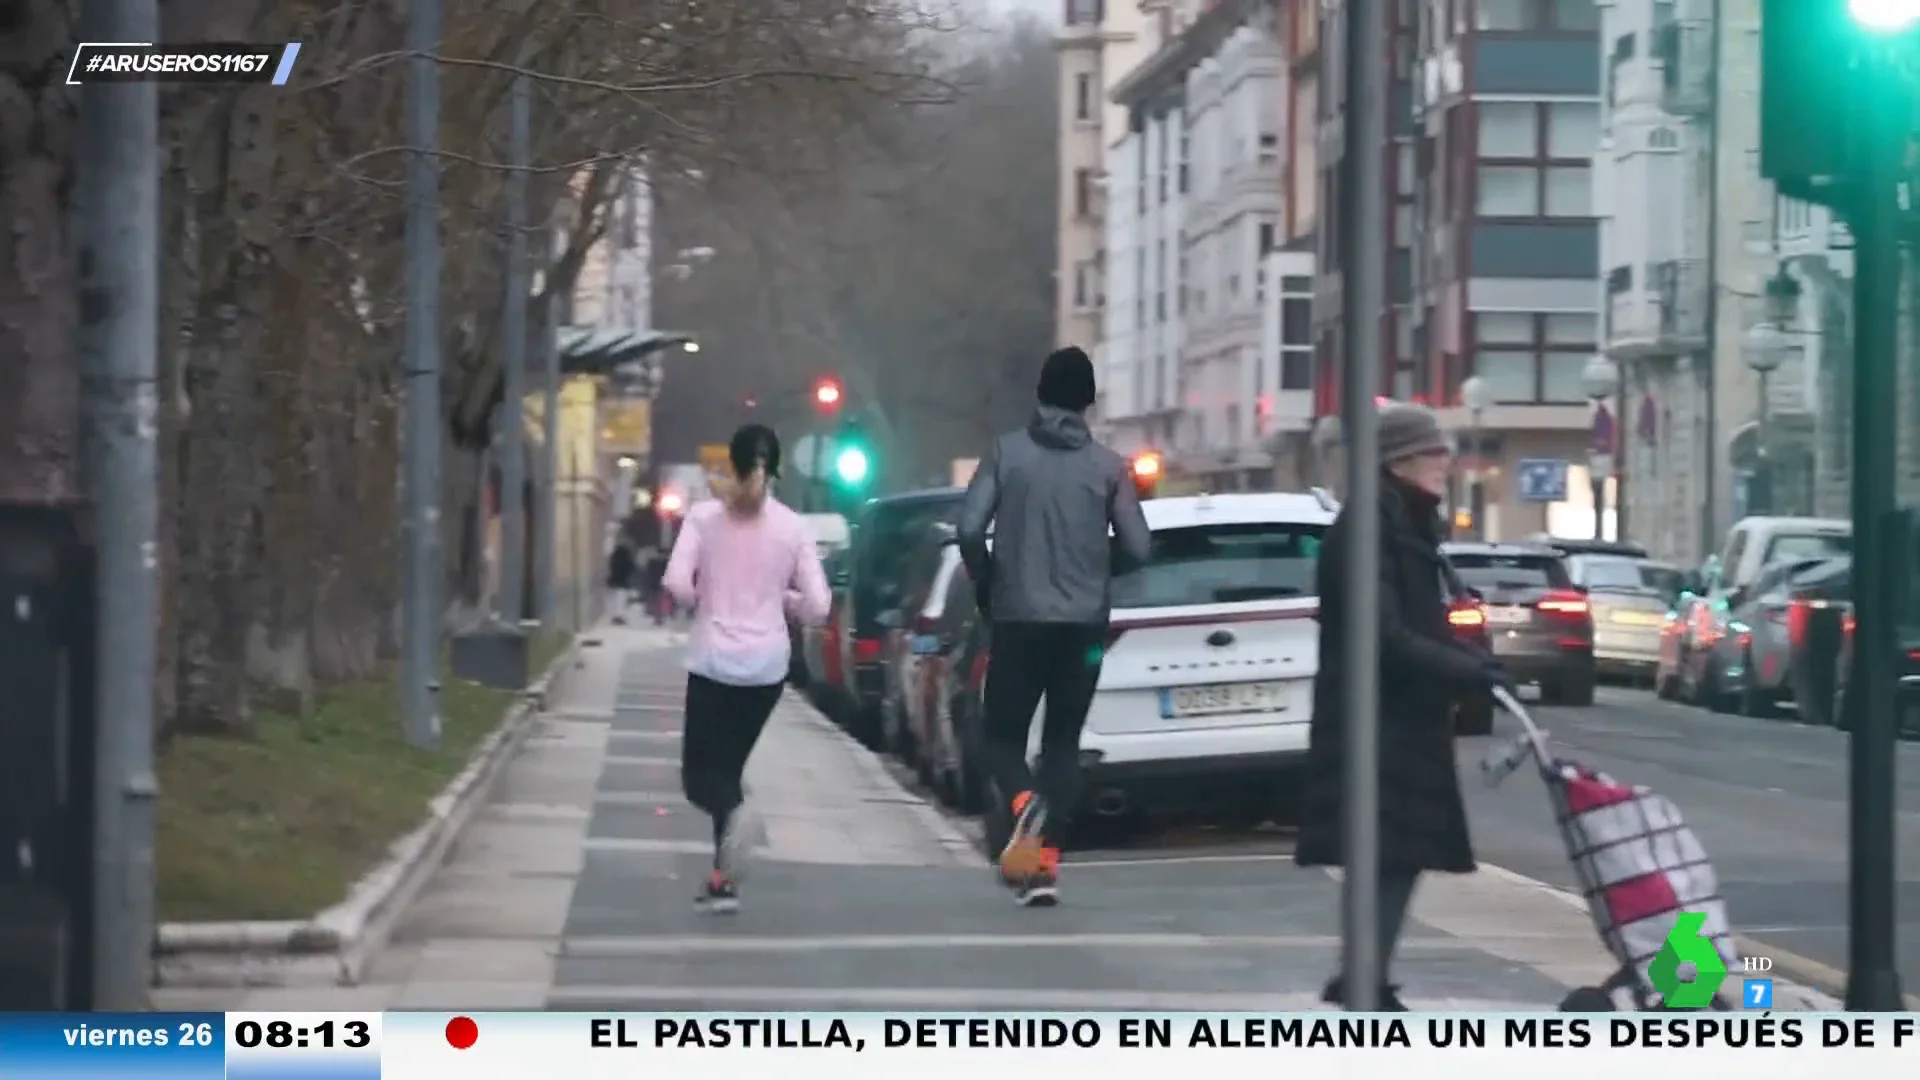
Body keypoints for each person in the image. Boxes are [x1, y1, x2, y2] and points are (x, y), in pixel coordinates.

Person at [1293, 401, 1507, 1011]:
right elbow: (1382, 632)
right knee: (1383, 851)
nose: (1446, 463)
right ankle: (1363, 983)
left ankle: (1365, 977)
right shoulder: (1374, 528)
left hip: (1400, 713)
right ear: (1401, 462)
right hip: (1375, 716)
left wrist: (1470, 662)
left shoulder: (1404, 526)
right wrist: (1468, 671)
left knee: (1395, 853)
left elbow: (1415, 622)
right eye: (1434, 453)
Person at [956, 346, 1152, 906]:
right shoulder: (1109, 468)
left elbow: (969, 527)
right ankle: (1042, 868)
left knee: (1000, 739)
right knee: (1064, 742)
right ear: (1089, 402)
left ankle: (1023, 804)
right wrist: (1096, 568)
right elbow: (1139, 548)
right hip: (1084, 631)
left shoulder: (1006, 454)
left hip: (1018, 621)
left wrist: (988, 581)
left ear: (1040, 394)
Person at [662, 424, 831, 912]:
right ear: (775, 470)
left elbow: (676, 582)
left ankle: (737, 817)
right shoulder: (794, 528)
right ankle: (723, 881)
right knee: (729, 768)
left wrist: (703, 601)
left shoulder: (703, 519)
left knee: (701, 779)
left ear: (730, 465)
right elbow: (819, 607)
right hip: (765, 670)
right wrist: (785, 601)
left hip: (713, 659)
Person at [606, 539, 639, 624]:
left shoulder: (614, 559)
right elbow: (632, 568)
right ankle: (619, 616)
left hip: (614, 582)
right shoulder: (627, 560)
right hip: (623, 583)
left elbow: (610, 569)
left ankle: (616, 615)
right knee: (621, 600)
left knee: (614, 600)